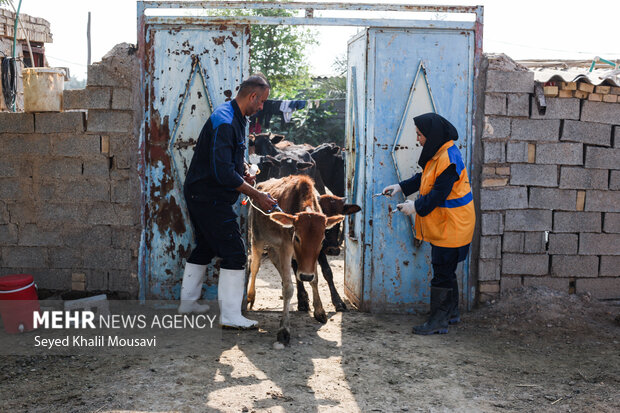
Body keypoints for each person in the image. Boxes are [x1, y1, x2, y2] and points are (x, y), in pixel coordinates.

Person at [178, 74, 278, 329]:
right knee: (234, 252)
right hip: (208, 196)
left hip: (204, 192)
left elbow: (227, 162)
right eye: (262, 101)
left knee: (206, 246)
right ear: (252, 96)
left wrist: (243, 168)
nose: (262, 107)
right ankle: (231, 316)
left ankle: (187, 305)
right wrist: (256, 194)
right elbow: (222, 173)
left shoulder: (236, 118)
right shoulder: (225, 121)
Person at [382, 113, 475, 335]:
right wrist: (401, 187)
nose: (418, 139)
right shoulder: (440, 153)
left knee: (442, 272)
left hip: (452, 225)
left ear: (431, 135)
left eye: (420, 134)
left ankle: (438, 321)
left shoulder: (448, 160)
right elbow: (424, 179)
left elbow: (438, 194)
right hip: (448, 223)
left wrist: (414, 207)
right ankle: (450, 313)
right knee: (447, 270)